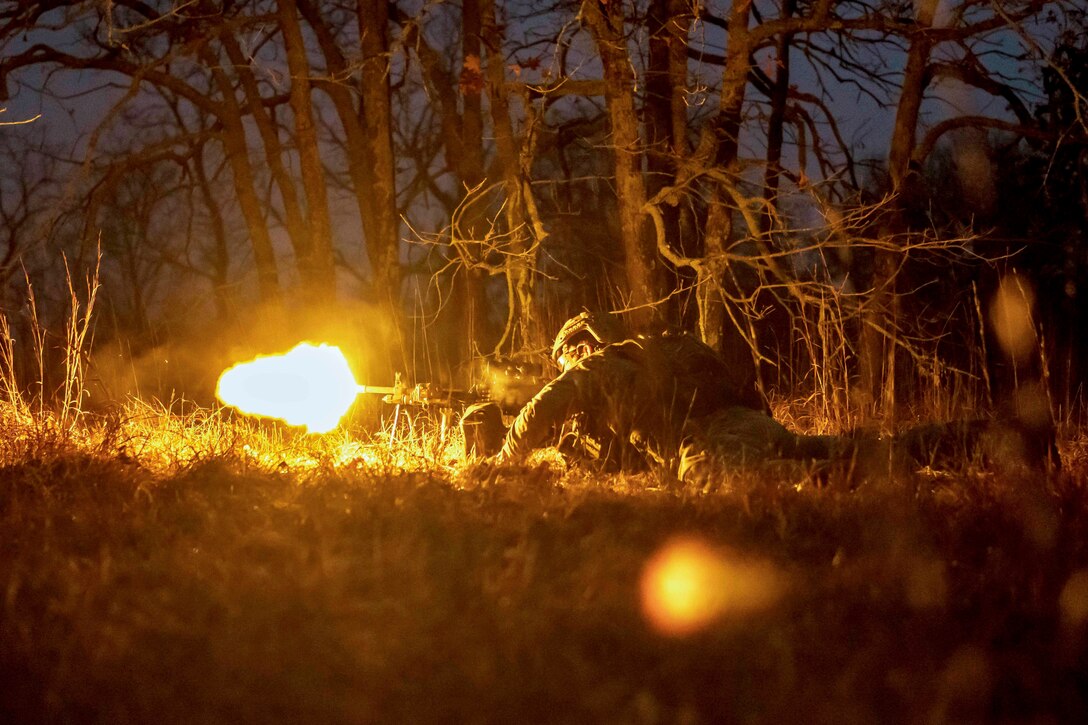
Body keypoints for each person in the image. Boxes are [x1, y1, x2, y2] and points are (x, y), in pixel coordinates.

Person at [462, 311, 1059, 481]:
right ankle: (993, 437)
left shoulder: (597, 365)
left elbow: (544, 408)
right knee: (843, 451)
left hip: (716, 442)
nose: (562, 368)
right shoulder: (648, 359)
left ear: (573, 350)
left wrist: (501, 460)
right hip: (747, 423)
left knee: (802, 474)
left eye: (562, 359)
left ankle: (982, 446)